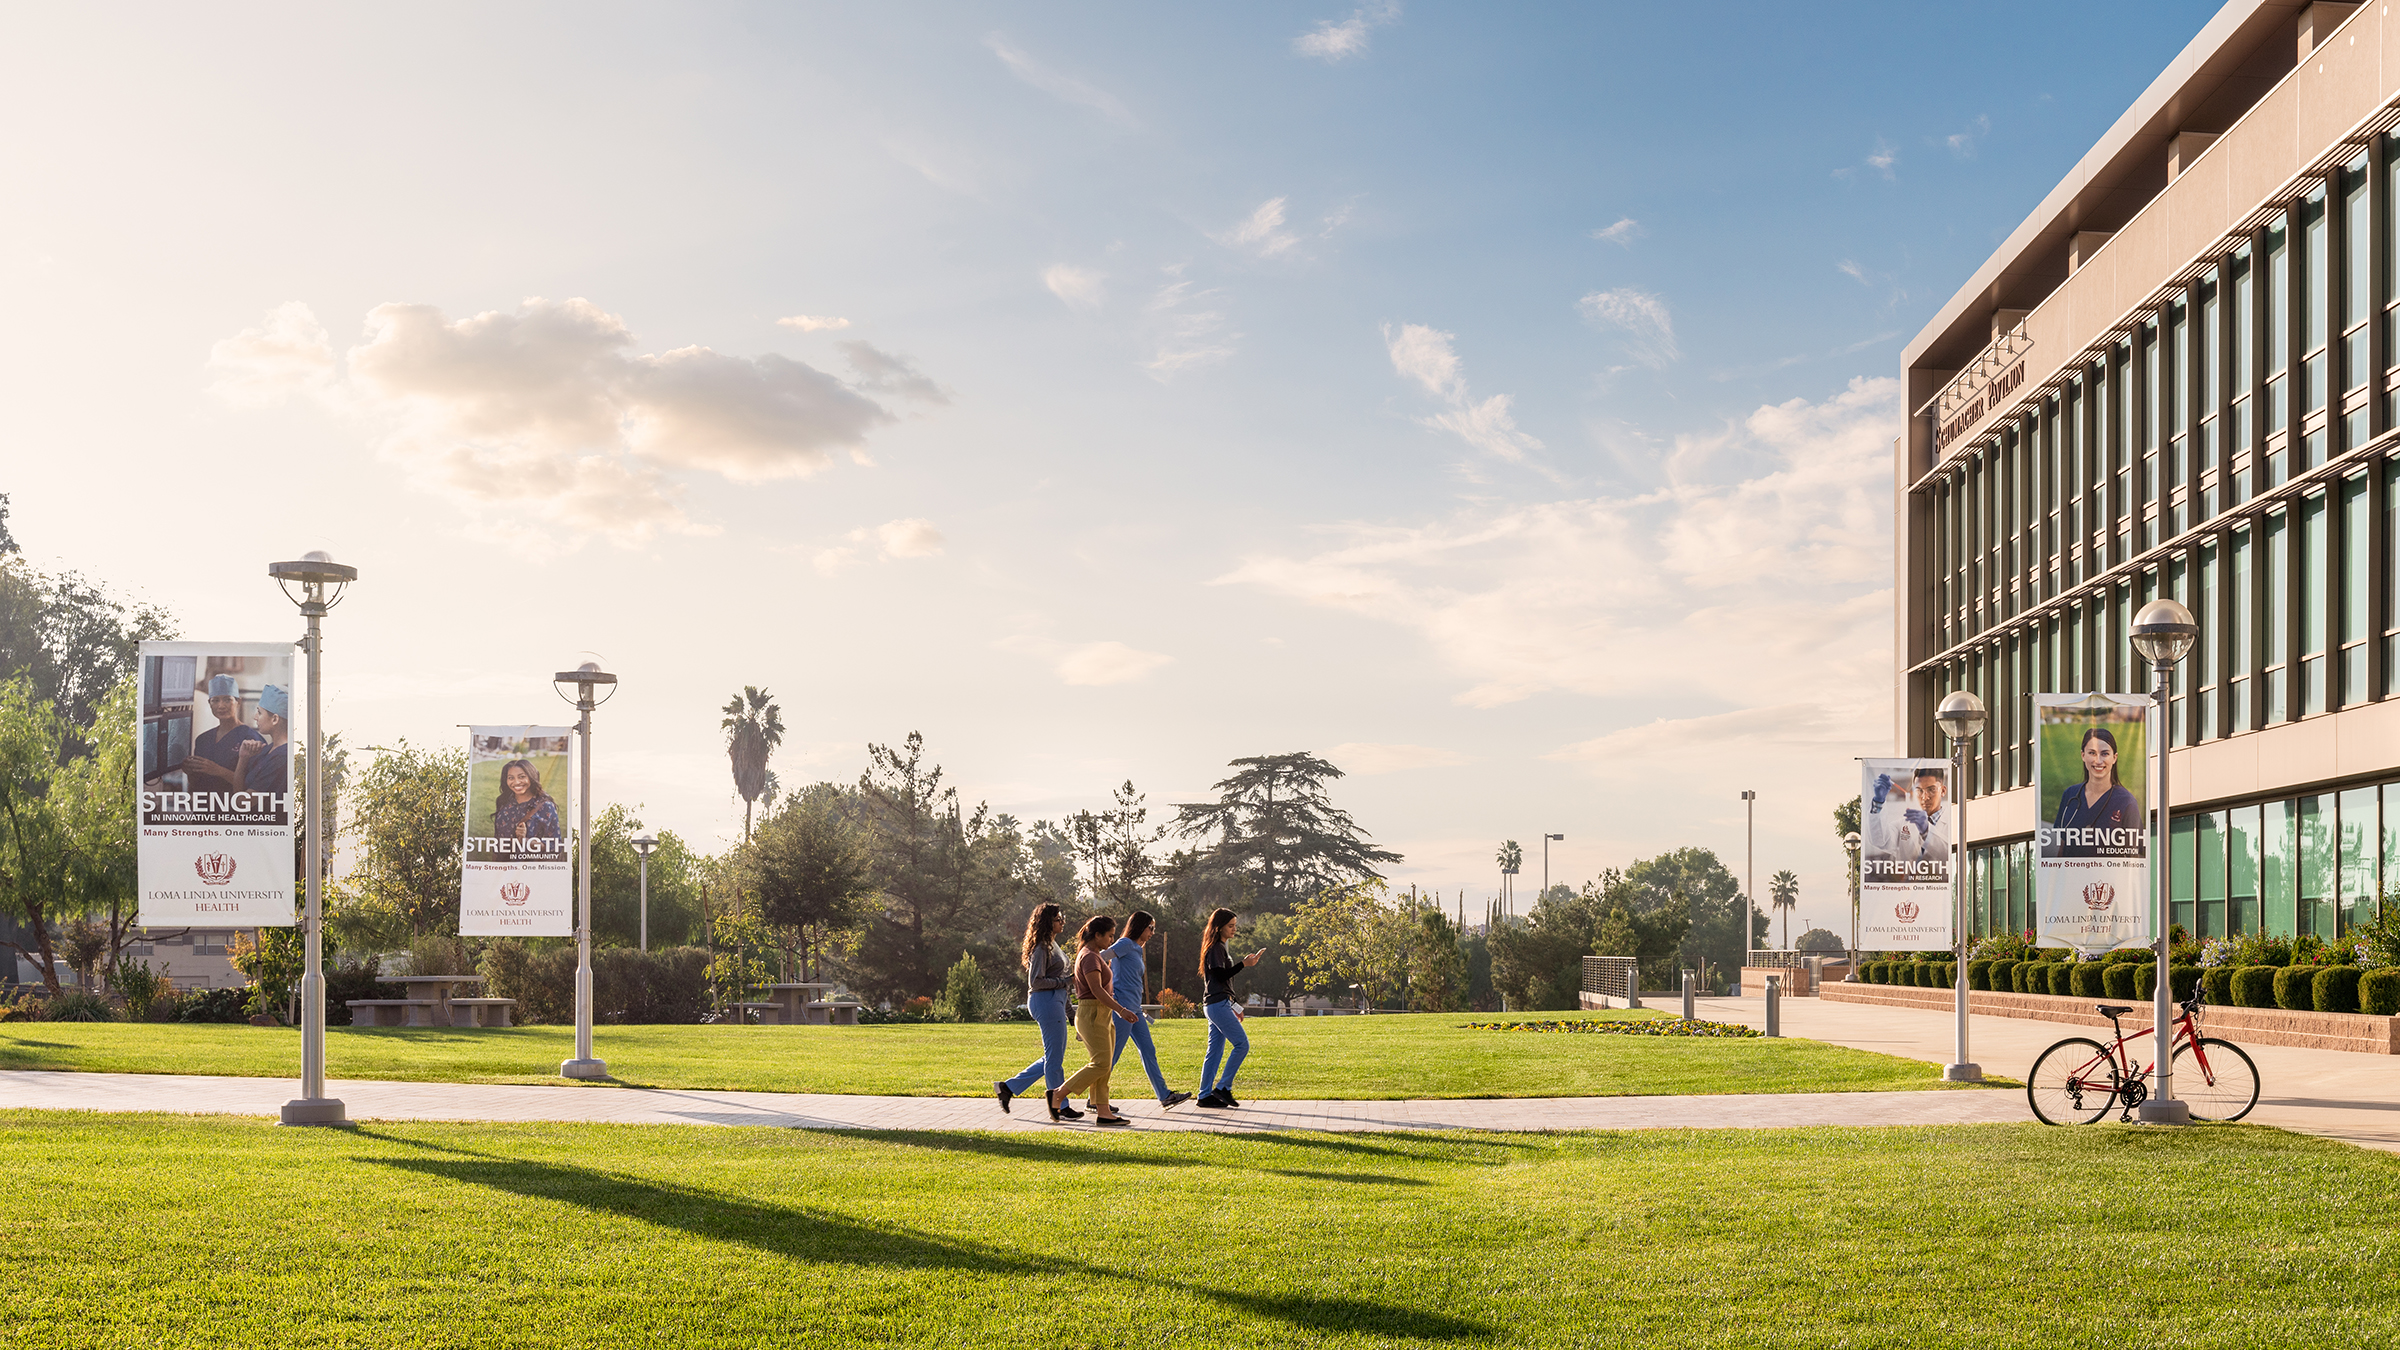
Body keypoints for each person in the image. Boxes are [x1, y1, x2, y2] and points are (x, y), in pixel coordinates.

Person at [1048, 914, 1143, 1125]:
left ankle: (1103, 1111)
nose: (1112, 940)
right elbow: (1097, 990)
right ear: (1097, 935)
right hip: (1092, 1013)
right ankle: (1058, 1094)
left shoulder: (1094, 954)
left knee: (1104, 1065)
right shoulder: (1089, 956)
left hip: (1101, 1013)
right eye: (1109, 936)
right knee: (1100, 1064)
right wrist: (1121, 1010)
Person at [995, 903, 1079, 1118]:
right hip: (1045, 1002)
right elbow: (1036, 982)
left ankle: (1008, 1088)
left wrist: (1071, 1013)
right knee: (1054, 1059)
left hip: (1054, 1002)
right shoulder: (1042, 947)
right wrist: (1066, 981)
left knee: (1052, 1057)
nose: (1063, 921)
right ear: (1047, 921)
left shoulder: (1052, 945)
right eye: (1059, 918)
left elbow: (1063, 986)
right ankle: (1059, 1104)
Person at [1107, 911, 1193, 1111]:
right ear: (1139, 927)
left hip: (1135, 1009)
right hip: (1123, 1009)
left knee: (1148, 1050)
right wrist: (1107, 990)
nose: (1153, 932)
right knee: (1112, 1055)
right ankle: (1095, 1098)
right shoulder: (1125, 943)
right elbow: (1099, 957)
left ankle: (1165, 1096)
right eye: (1150, 928)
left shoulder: (1136, 948)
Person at [1195, 907, 1266, 1109]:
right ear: (1219, 927)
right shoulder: (1216, 948)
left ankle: (1205, 1095)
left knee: (1215, 1052)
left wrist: (1235, 1005)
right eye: (1231, 925)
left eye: (1235, 925)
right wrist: (1244, 964)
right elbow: (1220, 977)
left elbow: (1222, 982)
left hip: (1216, 1004)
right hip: (1217, 1004)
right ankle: (1222, 1088)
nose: (1235, 929)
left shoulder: (1219, 947)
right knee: (1242, 1044)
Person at [2051, 727, 2141, 858]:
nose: (2098, 761)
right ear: (2083, 755)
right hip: (2071, 877)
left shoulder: (2126, 802)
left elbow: (2135, 856)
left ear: (2114, 758)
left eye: (2105, 754)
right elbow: (2062, 847)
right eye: (2092, 753)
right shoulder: (2070, 795)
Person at [180, 674, 264, 793]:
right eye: (215, 700)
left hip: (234, 808)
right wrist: (189, 770)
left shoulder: (252, 740)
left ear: (238, 702)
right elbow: (196, 783)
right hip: (206, 808)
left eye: (227, 699)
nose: (221, 705)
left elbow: (257, 786)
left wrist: (218, 770)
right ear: (210, 703)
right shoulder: (203, 739)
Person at [1864, 765, 1950, 865]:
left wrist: (1926, 830)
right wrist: (1878, 801)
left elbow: (1947, 854)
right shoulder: (1903, 824)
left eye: (1931, 790)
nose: (1924, 797)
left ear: (1943, 791)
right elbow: (1879, 840)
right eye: (1919, 790)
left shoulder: (1954, 822)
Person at [493, 758, 563, 857]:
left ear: (531, 777)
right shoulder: (503, 802)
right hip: (503, 870)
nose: (516, 782)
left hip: (531, 870)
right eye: (511, 778)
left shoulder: (545, 807)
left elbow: (556, 846)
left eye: (521, 777)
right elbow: (496, 842)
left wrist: (527, 841)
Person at [232, 683, 291, 799]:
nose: (255, 717)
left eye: (259, 712)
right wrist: (244, 757)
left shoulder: (281, 757)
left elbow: (242, 803)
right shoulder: (268, 749)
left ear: (274, 719)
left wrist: (242, 760)